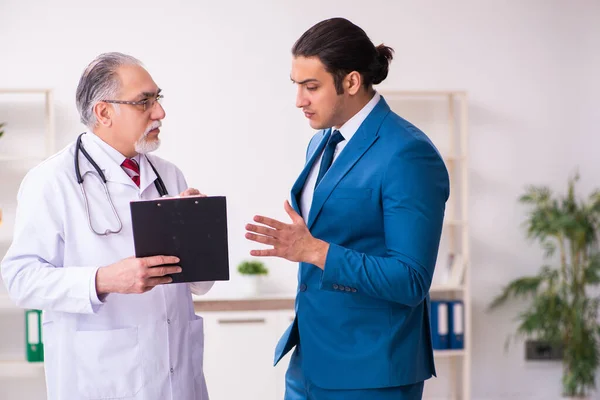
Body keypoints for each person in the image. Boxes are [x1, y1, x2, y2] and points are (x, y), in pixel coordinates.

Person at [245, 18, 450, 400]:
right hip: (310, 360)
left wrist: (315, 251)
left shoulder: (407, 153)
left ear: (352, 82)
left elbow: (410, 280)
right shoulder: (322, 142)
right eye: (296, 86)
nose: (299, 100)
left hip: (371, 371)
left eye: (312, 87)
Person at [1, 52, 213, 400]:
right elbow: (21, 279)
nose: (159, 112)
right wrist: (104, 280)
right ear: (103, 112)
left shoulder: (168, 174)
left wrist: (197, 232)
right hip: (101, 379)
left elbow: (200, 284)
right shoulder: (51, 180)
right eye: (144, 102)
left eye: (157, 98)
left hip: (178, 379)